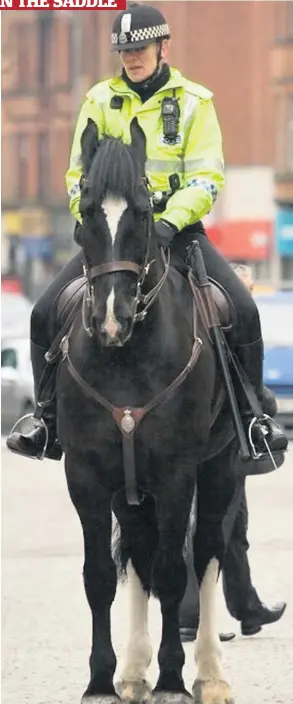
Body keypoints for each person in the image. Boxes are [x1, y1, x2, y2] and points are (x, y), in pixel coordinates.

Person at [6, 2, 288, 462]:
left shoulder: (196, 101)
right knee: (43, 311)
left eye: (140, 47)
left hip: (176, 232)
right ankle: (46, 420)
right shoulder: (98, 100)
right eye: (124, 49)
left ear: (162, 46)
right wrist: (90, 216)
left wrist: (169, 221)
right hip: (114, 238)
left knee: (241, 306)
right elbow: (77, 174)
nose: (132, 57)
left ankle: (254, 416)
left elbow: (205, 177)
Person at [179, 264, 287, 643]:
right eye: (242, 289)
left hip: (232, 450)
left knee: (234, 528)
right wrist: (264, 405)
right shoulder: (213, 336)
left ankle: (246, 608)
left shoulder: (234, 334)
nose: (246, 298)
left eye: (249, 289)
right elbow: (246, 389)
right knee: (205, 529)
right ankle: (192, 615)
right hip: (214, 447)